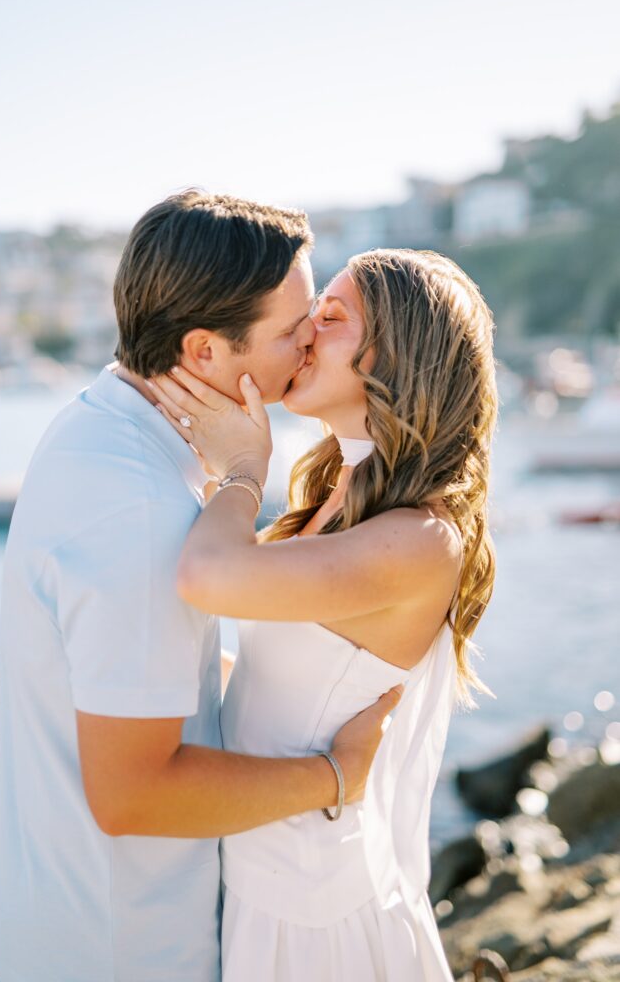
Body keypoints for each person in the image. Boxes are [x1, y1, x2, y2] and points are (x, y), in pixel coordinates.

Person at [0, 192, 403, 982]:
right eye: (291, 329)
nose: (312, 340)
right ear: (204, 351)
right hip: (120, 954)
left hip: (56, 931)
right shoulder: (138, 509)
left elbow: (130, 669)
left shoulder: (94, 425)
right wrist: (336, 774)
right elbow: (134, 793)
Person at [147, 247, 499, 981]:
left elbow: (205, 574)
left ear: (401, 352)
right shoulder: (338, 500)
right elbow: (296, 675)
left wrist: (243, 471)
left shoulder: (420, 538)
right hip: (266, 876)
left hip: (318, 916)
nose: (305, 329)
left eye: (331, 316)